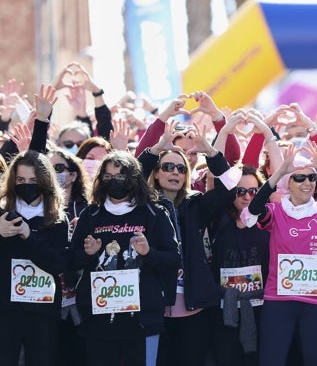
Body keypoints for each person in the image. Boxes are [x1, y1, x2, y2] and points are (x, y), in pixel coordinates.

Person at [244, 142, 317, 366]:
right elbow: (253, 210)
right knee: (271, 360)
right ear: (287, 182)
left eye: (311, 177)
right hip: (279, 302)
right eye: (299, 178)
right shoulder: (276, 211)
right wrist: (279, 172)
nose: (307, 183)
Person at [138, 118, 240, 366]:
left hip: (193, 306)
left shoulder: (196, 204)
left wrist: (212, 152)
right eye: (168, 166)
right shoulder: (143, 205)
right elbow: (130, 176)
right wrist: (155, 149)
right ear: (156, 172)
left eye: (181, 168)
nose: (174, 172)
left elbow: (228, 190)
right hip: (155, 306)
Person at [69, 150, 180, 366]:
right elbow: (71, 260)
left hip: (142, 320)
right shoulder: (91, 215)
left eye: (120, 176)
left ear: (133, 179)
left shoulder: (154, 212)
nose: (114, 182)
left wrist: (149, 253)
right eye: (108, 177)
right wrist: (87, 254)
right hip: (99, 318)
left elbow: (174, 260)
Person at [0, 150, 70, 366]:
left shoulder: (57, 219)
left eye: (33, 180)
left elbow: (58, 263)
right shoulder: (2, 213)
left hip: (42, 311)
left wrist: (29, 236)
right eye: (21, 180)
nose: (26, 185)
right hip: (6, 310)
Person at [208, 164, 270, 366]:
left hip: (262, 309)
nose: (247, 196)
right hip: (225, 311)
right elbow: (217, 175)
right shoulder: (216, 219)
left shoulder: (268, 222)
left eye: (253, 191)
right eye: (240, 191)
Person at [48, 148, 90, 366]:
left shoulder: (89, 210)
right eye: (48, 167)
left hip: (81, 301)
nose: (53, 173)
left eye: (59, 168)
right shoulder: (38, 209)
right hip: (47, 300)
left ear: (73, 175)